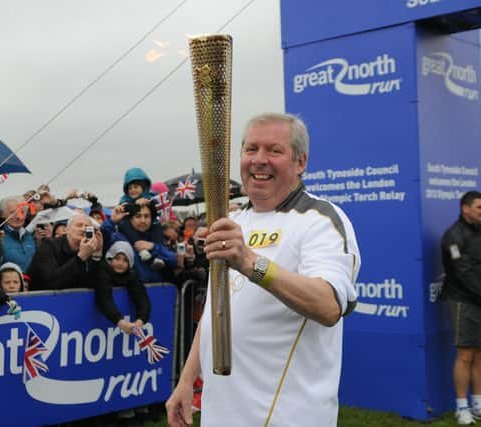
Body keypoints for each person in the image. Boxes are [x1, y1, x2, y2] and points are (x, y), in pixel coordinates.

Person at [166, 112, 360, 426]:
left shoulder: (320, 221)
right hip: (222, 411)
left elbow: (328, 306)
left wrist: (249, 263)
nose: (259, 160)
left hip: (287, 415)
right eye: (251, 149)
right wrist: (188, 378)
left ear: (300, 162)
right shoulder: (235, 221)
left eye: (274, 151)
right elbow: (218, 307)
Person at [440, 190, 481, 425]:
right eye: (479, 208)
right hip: (462, 301)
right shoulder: (453, 237)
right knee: (465, 354)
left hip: (479, 301)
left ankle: (478, 403)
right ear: (465, 209)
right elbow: (463, 273)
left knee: (480, 354)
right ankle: (461, 407)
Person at [27, 213, 103, 291]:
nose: (83, 229)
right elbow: (53, 282)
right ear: (66, 230)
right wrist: (80, 257)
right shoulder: (48, 246)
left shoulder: (88, 249)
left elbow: (96, 284)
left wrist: (97, 254)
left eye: (87, 227)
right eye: (79, 225)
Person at [96, 241, 151, 334]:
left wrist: (140, 321)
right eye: (117, 258)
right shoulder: (102, 270)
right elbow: (104, 299)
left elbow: (142, 298)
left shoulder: (132, 274)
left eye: (125, 260)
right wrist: (121, 323)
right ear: (110, 258)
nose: (120, 263)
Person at [0, 196, 36, 272]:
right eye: (13, 212)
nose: (18, 217)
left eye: (21, 212)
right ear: (3, 214)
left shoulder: (30, 237)